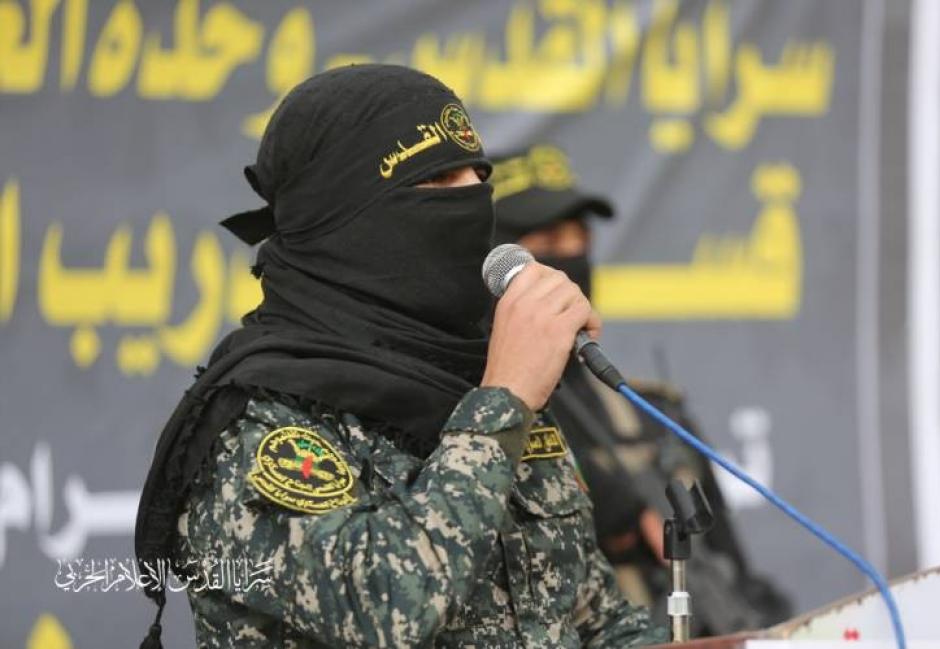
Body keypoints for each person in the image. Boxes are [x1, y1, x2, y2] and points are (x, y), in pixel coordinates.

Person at [133, 65, 668, 649]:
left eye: (479, 173)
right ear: (350, 216)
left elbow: (593, 618)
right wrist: (505, 400)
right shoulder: (258, 428)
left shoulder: (475, 389)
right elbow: (387, 609)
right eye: (438, 178)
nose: (475, 195)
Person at [489, 144, 793, 636]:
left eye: (580, 238)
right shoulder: (473, 415)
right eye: (548, 239)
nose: (571, 256)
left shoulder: (652, 412)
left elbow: (731, 564)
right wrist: (611, 510)